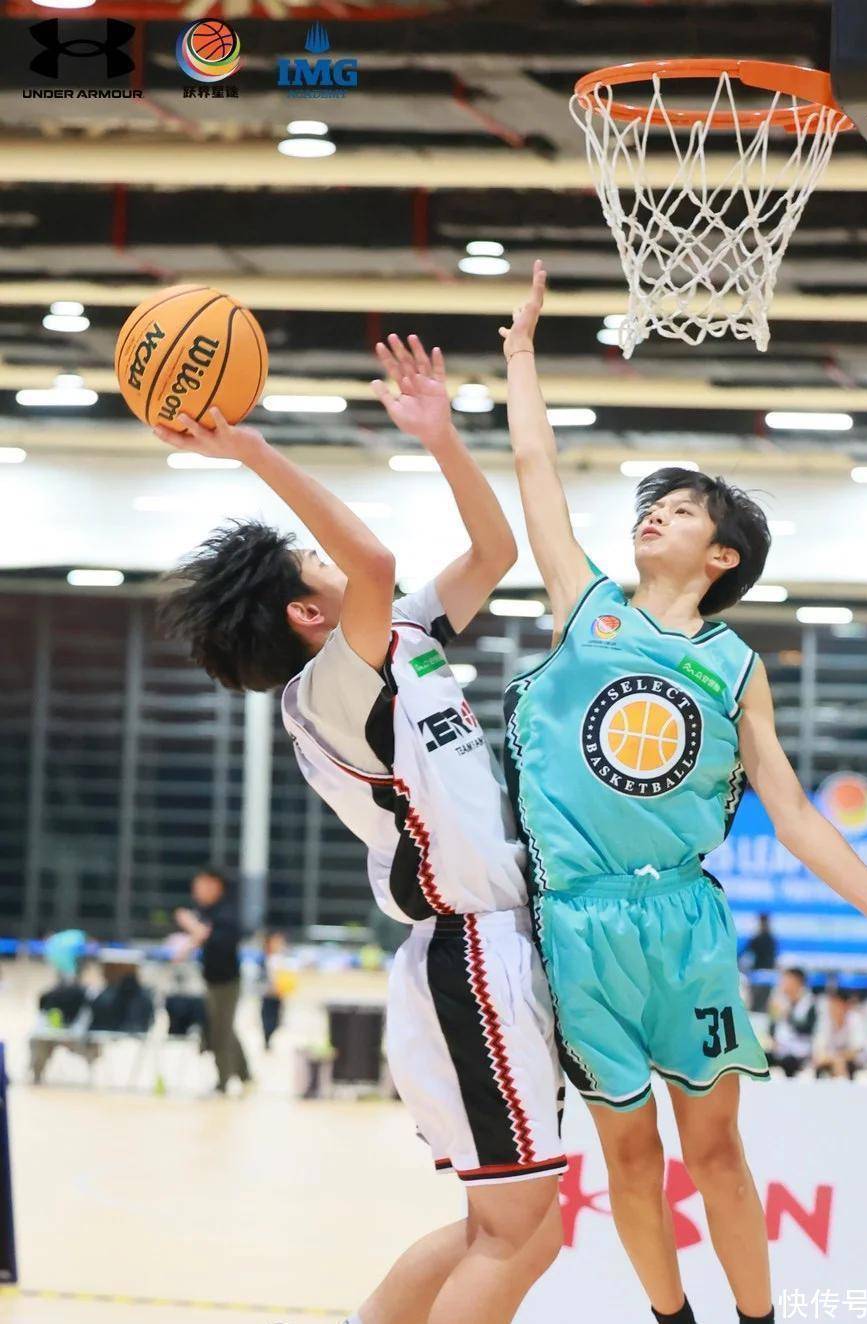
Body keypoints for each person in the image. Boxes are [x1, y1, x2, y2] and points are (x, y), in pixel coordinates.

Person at [497, 260, 867, 1324]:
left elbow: (797, 817)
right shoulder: (586, 607)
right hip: (577, 921)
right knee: (628, 1158)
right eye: (653, 505)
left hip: (683, 922)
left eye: (679, 511)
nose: (654, 515)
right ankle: (671, 1320)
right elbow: (534, 467)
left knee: (715, 1149)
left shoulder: (733, 666)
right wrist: (521, 353)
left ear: (720, 554)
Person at [156, 335, 564, 1324]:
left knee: (505, 1228)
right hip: (469, 952)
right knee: (520, 1232)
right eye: (313, 562)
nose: (334, 561)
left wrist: (443, 437)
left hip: (485, 948)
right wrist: (252, 450)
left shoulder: (398, 639)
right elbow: (371, 559)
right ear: (308, 610)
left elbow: (495, 554)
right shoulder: (331, 687)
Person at [174, 868, 251, 1095]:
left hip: (226, 982)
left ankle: (224, 1081)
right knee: (224, 1028)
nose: (196, 891)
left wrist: (193, 928)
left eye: (201, 886)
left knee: (220, 1033)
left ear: (215, 885)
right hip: (212, 979)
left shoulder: (226, 912)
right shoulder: (207, 911)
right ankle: (245, 1074)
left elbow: (216, 939)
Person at [767, 969, 816, 1078]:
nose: (783, 984)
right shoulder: (779, 1000)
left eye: (787, 980)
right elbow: (772, 1027)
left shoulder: (810, 1003)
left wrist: (788, 1014)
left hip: (800, 1052)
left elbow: (807, 1029)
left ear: (798, 982)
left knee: (789, 1062)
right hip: (780, 1049)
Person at [812, 987, 864, 1080]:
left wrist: (839, 1058)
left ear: (845, 1005)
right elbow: (819, 1049)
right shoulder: (825, 1021)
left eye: (835, 1004)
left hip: (852, 1063)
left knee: (842, 1064)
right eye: (830, 1004)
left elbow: (856, 1050)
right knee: (819, 1064)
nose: (832, 1008)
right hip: (830, 1060)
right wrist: (834, 1059)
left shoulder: (855, 1020)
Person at [742, 914, 777, 1012]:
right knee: (764, 1006)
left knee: (756, 1006)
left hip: (758, 975)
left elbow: (745, 952)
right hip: (768, 975)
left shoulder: (757, 938)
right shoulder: (772, 939)